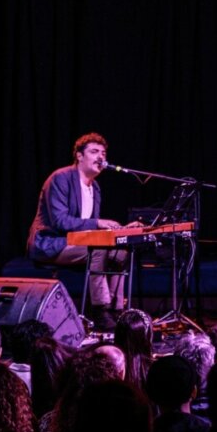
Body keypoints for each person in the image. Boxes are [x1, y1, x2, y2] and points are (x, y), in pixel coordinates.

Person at [26, 132, 138, 330]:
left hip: (80, 244)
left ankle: (116, 309)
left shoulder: (95, 187)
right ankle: (100, 310)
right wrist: (98, 223)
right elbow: (60, 221)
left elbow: (90, 228)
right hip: (53, 243)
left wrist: (120, 230)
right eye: (94, 152)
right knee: (98, 248)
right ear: (79, 155)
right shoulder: (61, 178)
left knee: (121, 251)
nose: (101, 157)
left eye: (103, 153)